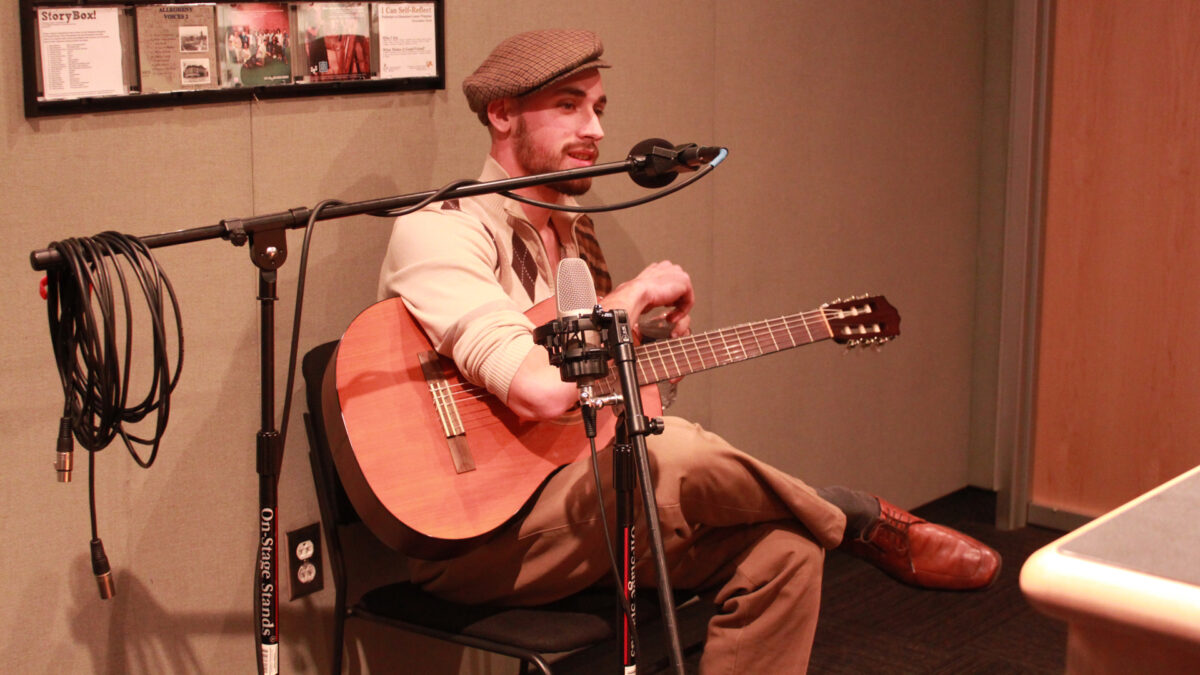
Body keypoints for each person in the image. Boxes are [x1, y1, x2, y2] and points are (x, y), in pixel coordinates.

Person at [377, 29, 1000, 672]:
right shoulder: (440, 230)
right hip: (476, 540)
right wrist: (632, 296)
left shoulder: (575, 237)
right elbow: (537, 389)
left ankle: (829, 523)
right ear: (501, 113)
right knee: (667, 447)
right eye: (568, 106)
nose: (593, 128)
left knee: (784, 553)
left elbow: (593, 408)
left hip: (581, 502)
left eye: (599, 109)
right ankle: (854, 515)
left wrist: (647, 368)